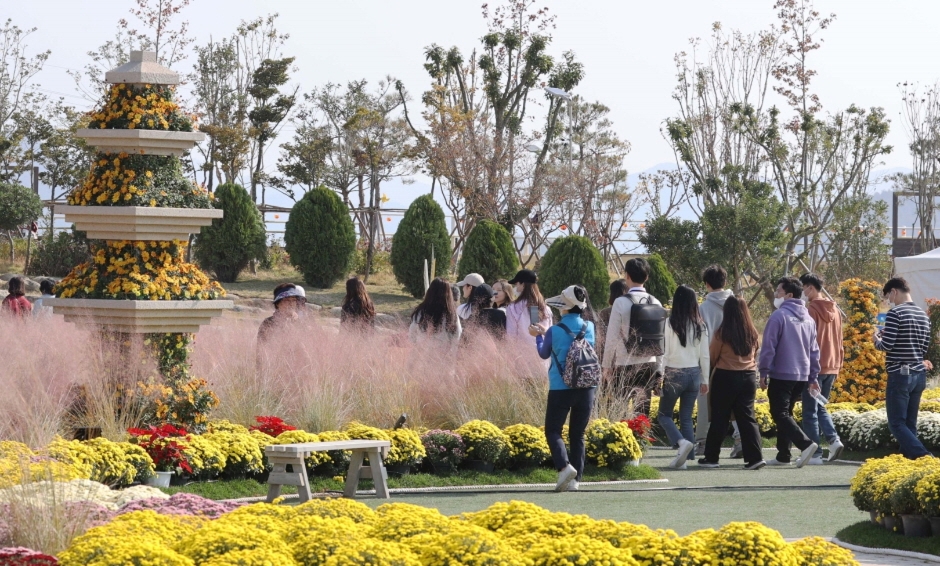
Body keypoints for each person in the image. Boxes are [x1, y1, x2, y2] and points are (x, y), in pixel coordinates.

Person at [529, 285, 596, 492]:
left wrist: (538, 336)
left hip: (560, 387)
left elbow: (543, 354)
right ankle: (577, 481)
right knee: (578, 434)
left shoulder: (554, 330)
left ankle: (564, 466)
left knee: (553, 430)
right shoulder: (590, 327)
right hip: (587, 386)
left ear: (564, 307)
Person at [759, 277, 821, 468]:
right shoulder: (808, 319)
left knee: (779, 413)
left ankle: (805, 444)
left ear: (788, 295)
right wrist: (813, 376)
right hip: (801, 375)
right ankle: (783, 455)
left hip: (782, 373)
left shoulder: (779, 316)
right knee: (787, 413)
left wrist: (763, 371)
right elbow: (814, 350)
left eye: (778, 291)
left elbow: (768, 347)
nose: (776, 294)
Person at [699, 296, 764, 470]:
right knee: (747, 418)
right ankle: (755, 457)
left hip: (725, 376)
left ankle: (712, 457)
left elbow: (712, 355)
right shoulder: (752, 332)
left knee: (720, 417)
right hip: (749, 377)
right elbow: (756, 351)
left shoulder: (722, 333)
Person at [875, 277, 933, 459]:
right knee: (909, 423)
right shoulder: (923, 315)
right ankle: (908, 461)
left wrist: (876, 339)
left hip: (900, 373)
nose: (889, 301)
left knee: (896, 423)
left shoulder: (895, 313)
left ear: (894, 291)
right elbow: (923, 348)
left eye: (889, 297)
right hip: (918, 374)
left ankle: (923, 456)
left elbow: (887, 345)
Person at [602, 258, 664, 416]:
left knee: (619, 411)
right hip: (648, 364)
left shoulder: (620, 302)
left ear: (626, 275)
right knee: (642, 413)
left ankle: (622, 440)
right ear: (647, 277)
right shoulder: (656, 302)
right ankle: (641, 439)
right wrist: (659, 369)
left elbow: (612, 337)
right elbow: (661, 339)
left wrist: (607, 365)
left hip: (624, 363)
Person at [659, 285, 710, 469]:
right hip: (694, 374)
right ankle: (688, 457)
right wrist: (705, 380)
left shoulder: (669, 323)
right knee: (686, 417)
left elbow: (663, 353)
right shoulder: (700, 325)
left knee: (664, 415)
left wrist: (659, 375)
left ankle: (681, 443)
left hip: (674, 373)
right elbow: (705, 355)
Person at [799, 273, 845, 464]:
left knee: (810, 410)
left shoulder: (811, 310)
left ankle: (815, 453)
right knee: (820, 406)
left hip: (816, 366)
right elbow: (840, 339)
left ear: (810, 287)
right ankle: (833, 441)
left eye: (803, 287)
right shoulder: (834, 309)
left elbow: (809, 341)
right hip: (832, 365)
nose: (802, 291)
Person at [697, 265, 735, 457]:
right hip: (736, 360)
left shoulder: (703, 308)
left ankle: (702, 442)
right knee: (737, 404)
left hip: (711, 361)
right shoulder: (737, 303)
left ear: (707, 285)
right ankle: (741, 440)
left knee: (705, 401)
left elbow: (701, 337)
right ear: (725, 282)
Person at [505, 269, 552, 347]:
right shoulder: (546, 308)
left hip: (521, 354)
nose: (516, 287)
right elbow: (550, 334)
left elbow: (511, 335)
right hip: (544, 353)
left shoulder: (513, 308)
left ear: (523, 284)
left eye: (517, 284)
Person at [409, 278, 462, 346]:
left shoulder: (420, 312)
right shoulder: (451, 314)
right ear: (448, 294)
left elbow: (412, 334)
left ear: (430, 292)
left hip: (421, 353)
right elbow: (457, 335)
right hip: (443, 354)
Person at [596, 279, 629, 361]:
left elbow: (601, 337)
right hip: (629, 354)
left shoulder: (605, 312)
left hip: (610, 355)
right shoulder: (631, 309)